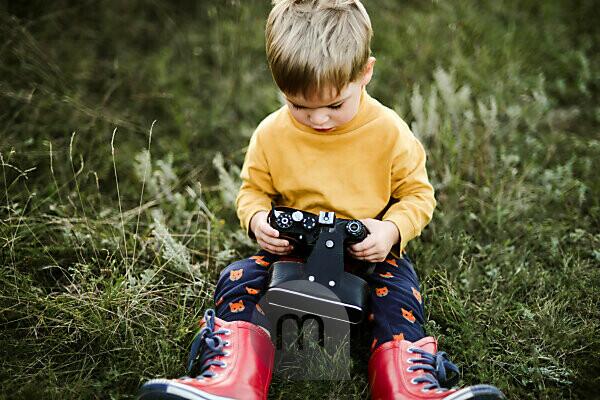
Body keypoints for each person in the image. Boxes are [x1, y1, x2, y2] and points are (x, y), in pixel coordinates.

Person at [138, 1, 506, 399]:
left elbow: (417, 194)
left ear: (365, 73)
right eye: (298, 105)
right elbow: (253, 190)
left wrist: (391, 229)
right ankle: (232, 380)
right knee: (237, 279)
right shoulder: (271, 134)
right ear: (280, 87)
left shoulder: (389, 132)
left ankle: (405, 386)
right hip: (293, 251)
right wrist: (259, 219)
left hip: (366, 250)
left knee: (398, 294)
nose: (318, 120)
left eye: (334, 105)